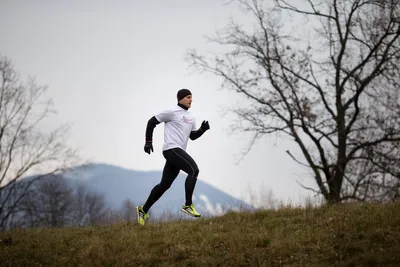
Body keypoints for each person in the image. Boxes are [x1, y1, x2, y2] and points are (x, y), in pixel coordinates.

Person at [136, 88, 210, 225]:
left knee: (164, 185)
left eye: (191, 97)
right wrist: (148, 142)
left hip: (177, 152)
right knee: (194, 170)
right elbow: (151, 122)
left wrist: (202, 130)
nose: (191, 100)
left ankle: (143, 210)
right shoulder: (171, 112)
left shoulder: (191, 117)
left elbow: (192, 136)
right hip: (171, 149)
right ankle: (188, 205)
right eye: (188, 97)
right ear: (180, 98)